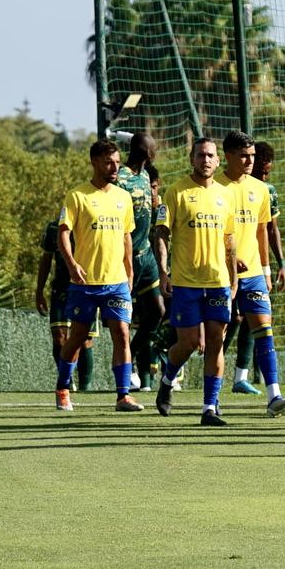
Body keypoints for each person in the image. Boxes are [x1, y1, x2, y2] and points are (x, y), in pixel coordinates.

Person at [153, 138, 240, 426]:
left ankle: (209, 408)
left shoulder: (226, 195)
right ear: (192, 158)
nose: (206, 160)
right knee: (189, 342)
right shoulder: (177, 192)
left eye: (211, 156)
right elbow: (162, 234)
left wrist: (233, 278)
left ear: (218, 161)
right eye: (201, 155)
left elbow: (230, 240)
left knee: (217, 340)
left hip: (217, 281)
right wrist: (164, 272)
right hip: (186, 282)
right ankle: (167, 378)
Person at [54, 139, 140, 413]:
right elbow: (63, 233)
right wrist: (71, 264)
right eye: (108, 162)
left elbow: (127, 236)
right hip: (85, 283)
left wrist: (129, 270)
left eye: (117, 161)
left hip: (116, 283)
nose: (114, 167)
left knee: (122, 334)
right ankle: (63, 387)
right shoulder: (77, 196)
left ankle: (123, 396)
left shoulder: (123, 197)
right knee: (78, 336)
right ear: (94, 162)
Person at [217, 131, 285, 417]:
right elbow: (209, 232)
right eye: (243, 155)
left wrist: (266, 269)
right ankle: (190, 389)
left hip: (252, 273)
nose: (250, 160)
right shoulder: (213, 186)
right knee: (214, 336)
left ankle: (274, 395)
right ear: (227, 156)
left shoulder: (260, 189)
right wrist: (228, 258)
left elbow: (262, 230)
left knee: (264, 330)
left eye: (252, 155)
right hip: (217, 274)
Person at [231, 141, 285, 395]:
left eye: (267, 171)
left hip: (254, 270)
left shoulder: (265, 191)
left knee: (259, 323)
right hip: (222, 270)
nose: (264, 175)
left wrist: (275, 265)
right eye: (261, 172)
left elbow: (268, 230)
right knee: (220, 326)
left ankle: (271, 392)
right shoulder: (223, 187)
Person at [115, 132, 164, 392]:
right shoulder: (121, 179)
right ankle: (124, 370)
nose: (155, 152)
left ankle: (132, 355)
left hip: (146, 255)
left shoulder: (146, 176)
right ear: (146, 152)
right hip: (126, 257)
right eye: (153, 149)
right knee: (122, 318)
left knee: (157, 311)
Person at [34, 219, 94, 394]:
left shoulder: (90, 224)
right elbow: (45, 260)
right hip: (61, 289)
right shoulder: (54, 228)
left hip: (86, 287)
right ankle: (66, 381)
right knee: (59, 336)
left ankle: (85, 386)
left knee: (84, 338)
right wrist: (39, 291)